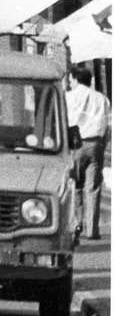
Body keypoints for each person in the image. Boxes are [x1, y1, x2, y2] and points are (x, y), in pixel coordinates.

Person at [67, 66, 110, 239]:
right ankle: (92, 230)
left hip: (76, 143)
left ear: (76, 79)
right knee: (92, 187)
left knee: (75, 184)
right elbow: (107, 125)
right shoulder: (102, 98)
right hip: (96, 143)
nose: (70, 82)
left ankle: (77, 225)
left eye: (71, 78)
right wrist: (103, 143)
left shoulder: (69, 96)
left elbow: (66, 120)